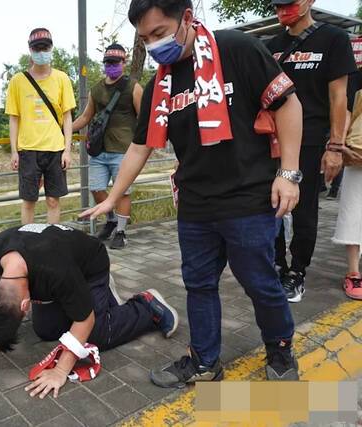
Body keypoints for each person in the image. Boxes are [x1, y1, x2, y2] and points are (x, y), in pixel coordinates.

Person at [82, 0, 304, 388]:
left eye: (159, 33)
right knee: (199, 285)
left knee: (260, 283)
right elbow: (139, 147)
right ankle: (204, 361)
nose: (153, 45)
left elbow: (288, 105)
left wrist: (288, 173)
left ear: (186, 18)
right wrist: (114, 196)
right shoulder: (161, 84)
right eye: (146, 38)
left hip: (249, 199)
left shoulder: (237, 49)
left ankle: (280, 346)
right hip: (196, 206)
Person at [0, 223, 179, 399]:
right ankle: (96, 299)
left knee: (94, 334)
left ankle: (145, 307)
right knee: (47, 331)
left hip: (89, 266)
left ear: (25, 306)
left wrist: (60, 371)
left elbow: (84, 321)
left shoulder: (55, 270)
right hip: (57, 266)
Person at [267, 0, 357, 303]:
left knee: (304, 208)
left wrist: (335, 146)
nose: (283, 11)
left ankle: (297, 271)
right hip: (272, 140)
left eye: (289, 4)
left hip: (311, 138)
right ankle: (277, 263)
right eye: (277, 6)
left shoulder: (333, 39)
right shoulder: (271, 46)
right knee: (271, 206)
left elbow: (338, 97)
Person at [73, 44, 144, 249]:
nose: (111, 66)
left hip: (123, 150)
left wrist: (140, 144)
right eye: (108, 63)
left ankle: (121, 231)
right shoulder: (96, 89)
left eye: (115, 63)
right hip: (98, 149)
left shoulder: (133, 87)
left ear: (124, 62)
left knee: (122, 192)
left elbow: (142, 117)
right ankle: (111, 219)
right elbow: (86, 117)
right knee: (96, 188)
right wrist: (64, 129)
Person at [5, 28, 76, 225]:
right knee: (29, 201)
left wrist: (67, 151)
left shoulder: (62, 79)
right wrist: (14, 152)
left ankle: (51, 242)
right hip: (28, 150)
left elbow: (67, 116)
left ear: (52, 48)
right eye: (37, 48)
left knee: (53, 200)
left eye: (45, 47)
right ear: (30, 50)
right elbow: (14, 118)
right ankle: (27, 243)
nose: (41, 52)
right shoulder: (17, 81)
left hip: (55, 149)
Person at [332, 67, 362, 300]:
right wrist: (339, 145)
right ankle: (353, 271)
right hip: (358, 153)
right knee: (353, 211)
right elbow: (347, 109)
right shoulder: (357, 75)